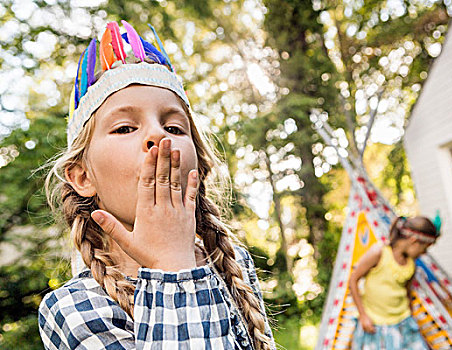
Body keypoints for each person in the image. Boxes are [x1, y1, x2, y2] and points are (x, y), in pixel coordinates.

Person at [38, 20, 275, 350]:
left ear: (200, 168)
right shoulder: (74, 309)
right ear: (83, 177)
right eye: (124, 128)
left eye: (175, 128)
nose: (159, 135)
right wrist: (171, 267)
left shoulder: (233, 264)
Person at [349, 216, 440, 350]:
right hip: (376, 324)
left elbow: (408, 292)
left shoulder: (411, 264)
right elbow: (353, 280)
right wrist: (363, 315)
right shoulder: (379, 253)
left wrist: (411, 315)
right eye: (424, 249)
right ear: (414, 241)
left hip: (403, 322)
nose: (423, 253)